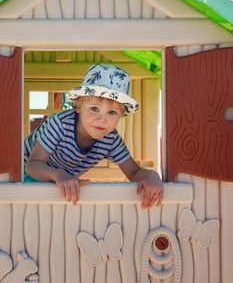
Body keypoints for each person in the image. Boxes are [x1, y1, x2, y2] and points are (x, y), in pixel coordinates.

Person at [24, 64, 163, 207]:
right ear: (78, 106)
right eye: (94, 109)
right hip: (21, 175)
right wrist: (58, 175)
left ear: (121, 115)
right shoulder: (60, 124)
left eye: (112, 112)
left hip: (56, 183)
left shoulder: (111, 140)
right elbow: (32, 165)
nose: (102, 119)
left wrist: (150, 175)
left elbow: (134, 173)